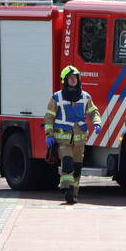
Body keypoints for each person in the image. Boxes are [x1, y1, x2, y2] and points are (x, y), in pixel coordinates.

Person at [42, 65, 102, 205]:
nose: (73, 80)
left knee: (77, 169)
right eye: (70, 77)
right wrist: (48, 134)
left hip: (80, 141)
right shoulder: (56, 97)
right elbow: (49, 117)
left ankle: (73, 194)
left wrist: (97, 123)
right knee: (67, 163)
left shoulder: (85, 97)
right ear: (65, 80)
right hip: (63, 139)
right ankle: (66, 188)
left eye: (75, 77)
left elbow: (94, 112)